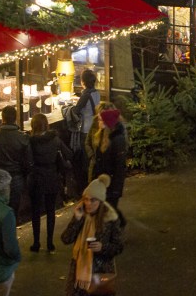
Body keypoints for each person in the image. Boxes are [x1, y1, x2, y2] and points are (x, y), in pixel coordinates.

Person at [61, 174, 124, 296]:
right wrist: (76, 220)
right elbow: (66, 239)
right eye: (86, 199)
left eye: (93, 200)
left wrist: (102, 247)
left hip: (100, 274)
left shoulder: (110, 219)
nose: (88, 203)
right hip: (78, 275)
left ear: (100, 201)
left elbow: (119, 246)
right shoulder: (82, 216)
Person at [28, 113, 71, 252]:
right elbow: (68, 153)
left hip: (36, 178)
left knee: (35, 211)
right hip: (51, 176)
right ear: (46, 124)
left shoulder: (30, 141)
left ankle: (36, 243)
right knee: (50, 210)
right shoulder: (55, 139)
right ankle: (50, 243)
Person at [0, 105, 31, 217]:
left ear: (2, 118)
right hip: (16, 178)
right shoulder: (23, 138)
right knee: (12, 212)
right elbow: (29, 163)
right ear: (15, 118)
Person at [86, 104, 128, 218]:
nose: (98, 122)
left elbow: (119, 167)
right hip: (102, 183)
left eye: (100, 120)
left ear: (107, 122)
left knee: (109, 214)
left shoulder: (117, 139)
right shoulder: (101, 134)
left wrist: (115, 191)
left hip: (111, 186)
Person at [70, 70, 101, 198]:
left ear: (83, 82)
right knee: (92, 156)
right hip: (95, 128)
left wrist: (70, 108)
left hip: (85, 130)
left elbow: (76, 110)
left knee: (85, 160)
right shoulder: (96, 93)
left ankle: (85, 188)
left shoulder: (85, 95)